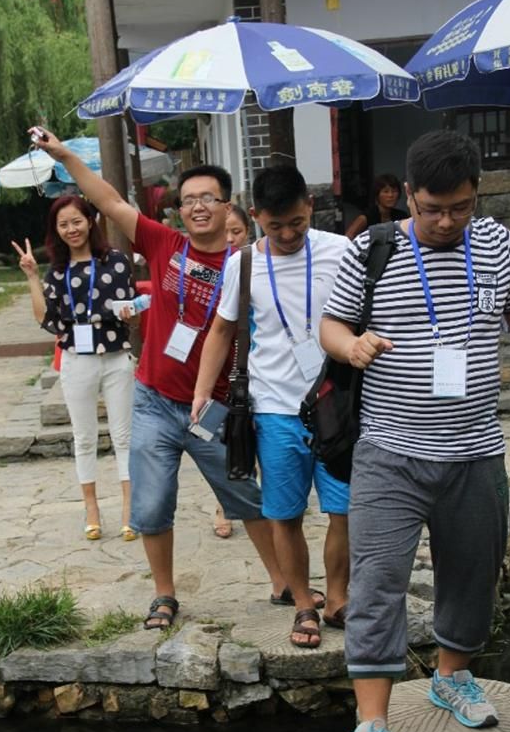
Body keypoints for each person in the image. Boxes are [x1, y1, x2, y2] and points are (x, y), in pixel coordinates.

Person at [321, 130, 510, 732]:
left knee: (473, 572)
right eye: (432, 208)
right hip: (391, 451)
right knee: (376, 583)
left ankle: (451, 676)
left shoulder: (497, 245)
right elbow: (331, 325)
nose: (445, 221)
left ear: (476, 194)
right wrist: (350, 346)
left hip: (475, 451)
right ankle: (371, 729)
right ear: (408, 194)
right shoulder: (372, 249)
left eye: (460, 207)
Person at [31, 129, 292, 630]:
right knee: (150, 505)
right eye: (188, 199)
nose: (197, 207)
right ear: (180, 209)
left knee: (246, 498)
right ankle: (164, 595)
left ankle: (282, 583)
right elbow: (108, 201)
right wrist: (64, 156)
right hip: (153, 399)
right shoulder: (165, 243)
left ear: (227, 206)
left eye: (208, 198)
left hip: (214, 408)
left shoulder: (249, 266)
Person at [193, 165, 351, 649]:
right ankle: (303, 603)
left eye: (296, 223)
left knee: (345, 512)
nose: (286, 235)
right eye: (274, 225)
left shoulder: (340, 251)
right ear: (255, 215)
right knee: (285, 514)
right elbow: (222, 329)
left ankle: (338, 598)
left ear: (310, 206)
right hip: (274, 407)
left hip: (335, 404)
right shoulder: (242, 264)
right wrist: (202, 392)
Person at [12, 196, 139, 543]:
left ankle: (130, 508)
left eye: (77, 221)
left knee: (124, 436)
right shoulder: (57, 271)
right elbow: (47, 320)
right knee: (84, 437)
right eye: (63, 224)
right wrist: (32, 277)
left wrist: (131, 312)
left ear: (90, 221)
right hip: (76, 358)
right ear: (56, 230)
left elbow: (132, 310)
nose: (72, 229)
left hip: (116, 356)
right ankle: (91, 508)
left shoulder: (116, 261)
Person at [212, 203, 251, 540]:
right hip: (222, 365)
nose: (229, 239)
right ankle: (223, 504)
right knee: (226, 436)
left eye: (236, 232)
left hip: (255, 362)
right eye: (224, 233)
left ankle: (262, 495)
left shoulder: (257, 263)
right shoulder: (209, 267)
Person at [346, 173, 406, 240]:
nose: (390, 195)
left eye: (394, 191)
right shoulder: (366, 217)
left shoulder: (402, 217)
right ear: (377, 195)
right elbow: (348, 236)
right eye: (386, 191)